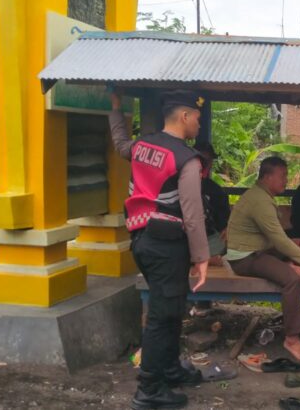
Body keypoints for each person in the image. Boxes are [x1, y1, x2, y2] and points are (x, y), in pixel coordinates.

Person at [109, 90, 210, 410]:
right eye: (197, 117)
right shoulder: (186, 159)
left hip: (141, 240)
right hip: (166, 246)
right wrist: (202, 257)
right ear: (184, 116)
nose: (199, 124)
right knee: (161, 316)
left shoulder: (143, 145)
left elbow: (120, 144)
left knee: (171, 308)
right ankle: (149, 389)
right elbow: (192, 214)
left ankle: (170, 369)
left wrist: (116, 109)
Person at [225, 156, 300, 363]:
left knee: (293, 245)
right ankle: (292, 338)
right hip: (246, 258)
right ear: (267, 177)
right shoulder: (260, 200)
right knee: (292, 280)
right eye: (282, 176)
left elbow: (274, 236)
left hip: (257, 250)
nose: (286, 180)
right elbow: (278, 239)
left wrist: (291, 246)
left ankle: (286, 265)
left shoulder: (260, 195)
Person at [192, 141, 230, 316]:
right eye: (202, 160)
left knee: (220, 248)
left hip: (210, 238)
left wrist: (227, 229)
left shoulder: (216, 191)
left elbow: (224, 223)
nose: (205, 164)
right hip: (185, 237)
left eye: (208, 161)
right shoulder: (178, 185)